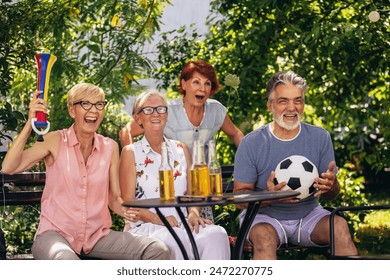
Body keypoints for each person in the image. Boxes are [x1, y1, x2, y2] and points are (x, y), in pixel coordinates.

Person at [1, 83, 171, 260]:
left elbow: (114, 199)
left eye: (99, 104)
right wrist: (31, 122)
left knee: (157, 249)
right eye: (85, 104)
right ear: (72, 110)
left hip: (97, 237)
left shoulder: (110, 147)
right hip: (54, 236)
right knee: (67, 260)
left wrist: (138, 213)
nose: (94, 110)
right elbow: (9, 167)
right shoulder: (54, 140)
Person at [233, 71, 358, 260]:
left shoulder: (320, 137)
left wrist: (332, 186)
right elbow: (238, 198)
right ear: (270, 105)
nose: (292, 108)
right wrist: (269, 197)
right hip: (263, 218)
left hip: (309, 215)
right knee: (265, 239)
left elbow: (332, 195)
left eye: (298, 100)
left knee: (339, 227)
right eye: (283, 101)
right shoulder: (252, 143)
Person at [119, 89, 230, 260]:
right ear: (138, 117)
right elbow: (129, 205)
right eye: (148, 109)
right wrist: (160, 219)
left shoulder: (180, 148)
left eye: (161, 109)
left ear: (167, 114)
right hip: (147, 227)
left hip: (183, 223)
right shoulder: (131, 152)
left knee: (217, 234)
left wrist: (193, 213)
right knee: (173, 239)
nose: (156, 113)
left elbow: (192, 193)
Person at [119, 60, 244, 154]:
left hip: (204, 181)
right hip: (172, 180)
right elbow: (126, 132)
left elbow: (235, 134)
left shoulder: (216, 110)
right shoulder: (166, 110)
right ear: (184, 85)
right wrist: (132, 163)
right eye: (196, 82)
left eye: (207, 84)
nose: (202, 88)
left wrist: (250, 156)